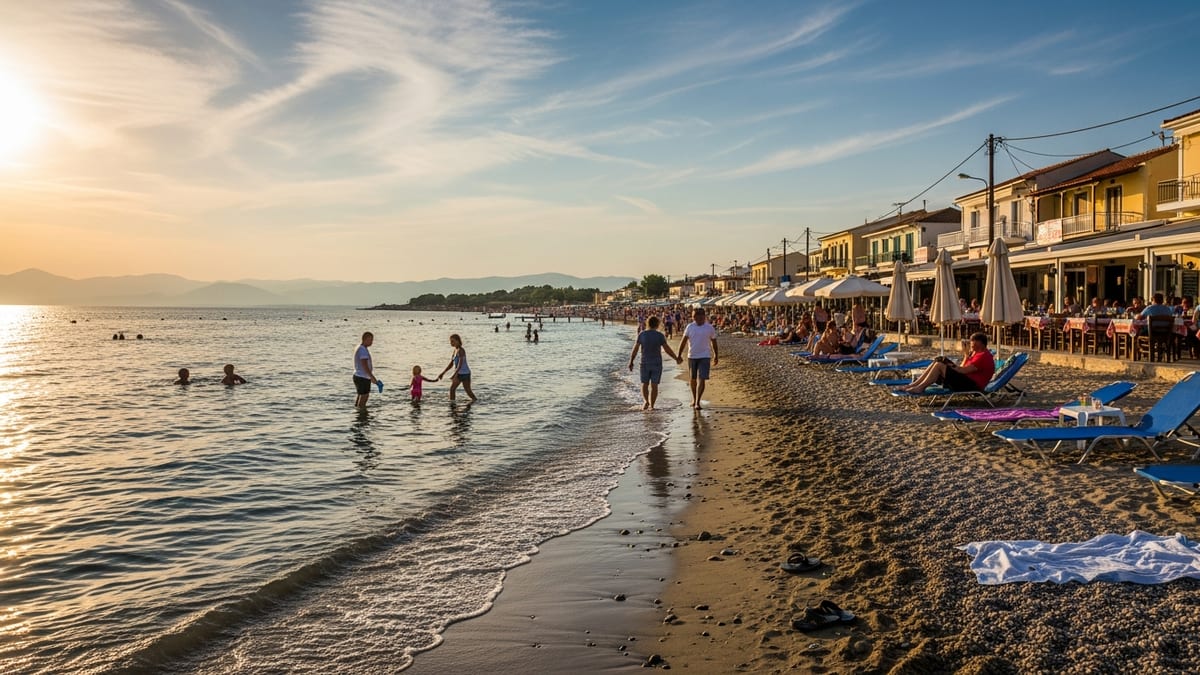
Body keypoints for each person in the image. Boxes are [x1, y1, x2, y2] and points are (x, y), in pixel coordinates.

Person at [897, 332, 995, 394]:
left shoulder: (983, 356)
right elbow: (961, 368)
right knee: (938, 360)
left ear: (981, 344)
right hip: (966, 382)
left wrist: (948, 364)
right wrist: (966, 356)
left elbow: (963, 371)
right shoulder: (975, 353)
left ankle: (920, 387)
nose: (971, 346)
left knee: (940, 364)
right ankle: (914, 385)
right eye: (971, 343)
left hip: (972, 386)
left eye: (974, 344)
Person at [629, 316, 682, 410]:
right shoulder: (659, 335)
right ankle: (652, 406)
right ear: (657, 324)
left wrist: (631, 361)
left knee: (644, 384)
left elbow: (635, 349)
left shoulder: (642, 334)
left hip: (644, 362)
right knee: (654, 385)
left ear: (647, 323)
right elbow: (667, 349)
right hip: (657, 363)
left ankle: (646, 401)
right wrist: (676, 358)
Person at [677, 307, 719, 409]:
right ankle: (694, 398)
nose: (699, 317)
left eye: (701, 315)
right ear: (693, 317)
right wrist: (679, 354)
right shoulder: (690, 327)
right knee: (693, 379)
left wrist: (716, 355)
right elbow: (683, 341)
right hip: (692, 356)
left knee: (702, 379)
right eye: (696, 316)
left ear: (704, 316)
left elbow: (714, 342)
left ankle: (697, 401)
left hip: (705, 356)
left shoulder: (709, 328)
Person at [438, 333, 477, 402]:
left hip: (464, 374)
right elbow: (451, 364)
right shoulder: (455, 351)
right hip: (459, 373)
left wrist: (455, 374)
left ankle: (475, 401)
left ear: (457, 341)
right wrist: (443, 373)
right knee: (452, 389)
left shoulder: (461, 350)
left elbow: (460, 364)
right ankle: (452, 405)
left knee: (468, 391)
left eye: (452, 341)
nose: (451, 343)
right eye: (450, 341)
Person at [353, 331, 377, 408]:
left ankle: (358, 411)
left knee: (360, 395)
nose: (372, 342)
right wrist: (372, 377)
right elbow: (364, 365)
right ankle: (362, 414)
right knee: (364, 396)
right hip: (362, 377)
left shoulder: (360, 347)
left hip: (358, 375)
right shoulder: (362, 350)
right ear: (365, 339)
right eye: (371, 340)